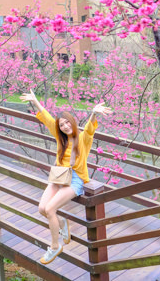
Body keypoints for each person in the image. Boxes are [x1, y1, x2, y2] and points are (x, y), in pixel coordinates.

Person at [21, 91, 112, 265]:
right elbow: (47, 119)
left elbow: (91, 128)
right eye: (62, 125)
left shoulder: (83, 138)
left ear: (72, 121)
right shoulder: (60, 138)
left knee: (50, 210)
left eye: (67, 122)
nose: (65, 126)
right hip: (59, 176)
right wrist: (35, 101)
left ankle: (55, 246)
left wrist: (93, 112)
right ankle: (63, 223)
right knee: (42, 209)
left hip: (76, 180)